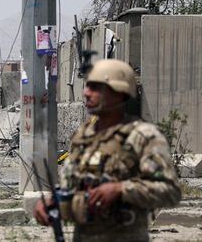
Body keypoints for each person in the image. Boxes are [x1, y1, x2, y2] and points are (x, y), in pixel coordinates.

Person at [33, 59, 181, 242]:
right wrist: (53, 202)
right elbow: (71, 186)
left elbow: (170, 191)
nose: (86, 93)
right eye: (87, 86)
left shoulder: (142, 136)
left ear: (119, 93)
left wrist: (121, 189)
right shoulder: (83, 137)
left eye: (95, 88)